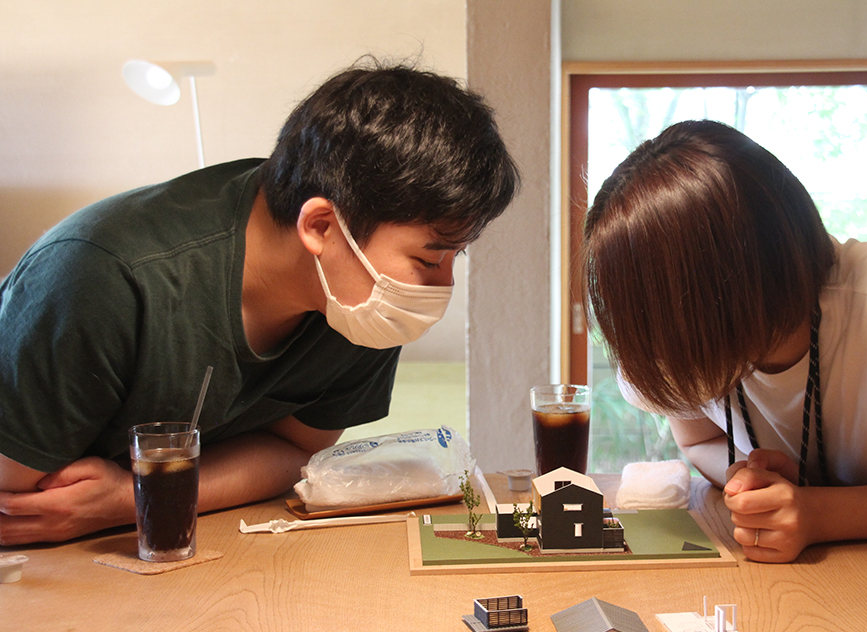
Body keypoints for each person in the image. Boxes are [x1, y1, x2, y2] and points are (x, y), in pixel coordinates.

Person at [0, 61, 519, 545]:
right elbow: (16, 500)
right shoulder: (106, 276)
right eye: (429, 259)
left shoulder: (356, 302)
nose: (440, 286)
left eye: (457, 255)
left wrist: (132, 498)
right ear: (320, 226)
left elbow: (297, 451)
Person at [582, 119, 867, 563]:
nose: (660, 351)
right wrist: (753, 486)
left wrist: (821, 513)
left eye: (663, 322)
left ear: (730, 289)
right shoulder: (677, 340)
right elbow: (699, 443)